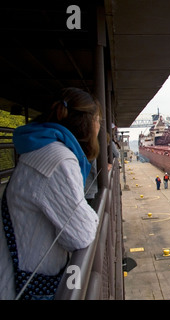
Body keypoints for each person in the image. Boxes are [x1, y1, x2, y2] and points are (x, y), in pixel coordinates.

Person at [0, 87, 101, 300]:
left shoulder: (44, 150)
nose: (100, 126)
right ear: (87, 123)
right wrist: (91, 216)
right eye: (98, 119)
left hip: (25, 274)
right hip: (29, 286)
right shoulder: (58, 160)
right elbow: (81, 234)